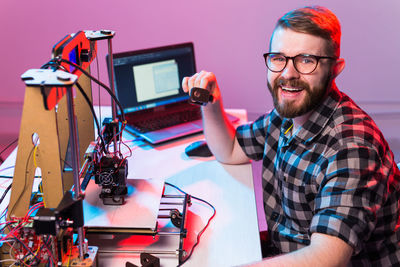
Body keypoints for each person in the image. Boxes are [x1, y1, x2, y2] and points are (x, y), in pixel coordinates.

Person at [182, 5, 400, 267]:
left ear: (336, 68)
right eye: (278, 58)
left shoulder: (352, 147)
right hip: (285, 251)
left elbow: (327, 258)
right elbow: (229, 149)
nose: (287, 73)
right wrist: (212, 103)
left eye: (306, 60)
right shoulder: (287, 115)